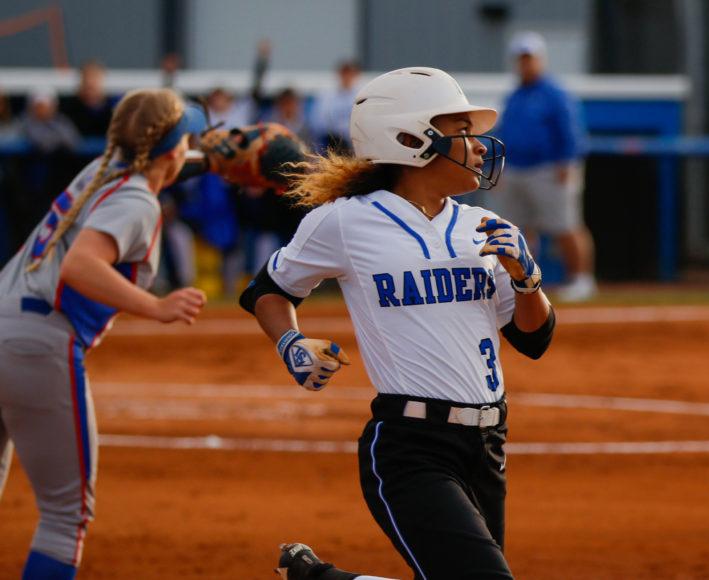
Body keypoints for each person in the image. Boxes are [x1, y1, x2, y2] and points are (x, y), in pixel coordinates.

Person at [241, 67, 554, 580]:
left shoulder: (484, 227)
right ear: (410, 140)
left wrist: (527, 278)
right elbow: (268, 290)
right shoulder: (346, 220)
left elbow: (534, 337)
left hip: (488, 444)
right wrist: (290, 343)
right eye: (461, 131)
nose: (478, 146)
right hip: (412, 446)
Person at [0, 88, 208, 579]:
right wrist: (156, 306)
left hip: (7, 322)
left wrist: (217, 160)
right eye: (188, 139)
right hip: (36, 342)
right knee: (64, 516)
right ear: (172, 149)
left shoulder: (100, 171)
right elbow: (80, 265)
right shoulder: (139, 201)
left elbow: (163, 163)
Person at [494, 31, 597, 302]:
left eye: (529, 58)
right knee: (518, 230)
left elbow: (571, 131)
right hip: (516, 168)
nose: (525, 64)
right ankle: (524, 280)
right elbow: (505, 132)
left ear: (540, 59)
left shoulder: (554, 94)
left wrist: (567, 161)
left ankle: (581, 279)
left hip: (549, 169)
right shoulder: (515, 95)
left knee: (565, 225)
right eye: (521, 59)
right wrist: (501, 168)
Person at [309, 60, 361, 154]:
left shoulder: (361, 95)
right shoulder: (326, 96)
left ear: (356, 75)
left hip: (356, 145)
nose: (347, 76)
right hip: (332, 145)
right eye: (344, 73)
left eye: (350, 73)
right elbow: (318, 123)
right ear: (339, 74)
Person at [60, 60, 114, 138]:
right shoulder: (66, 108)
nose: (90, 82)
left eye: (95, 77)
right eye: (86, 77)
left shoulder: (113, 108)